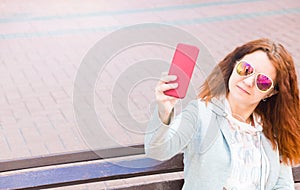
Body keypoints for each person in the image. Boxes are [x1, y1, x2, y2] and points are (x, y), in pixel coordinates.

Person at [144, 38, 300, 189]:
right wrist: (164, 111)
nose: (248, 82)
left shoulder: (272, 130)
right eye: (245, 69)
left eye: (263, 82)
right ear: (234, 65)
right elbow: (158, 150)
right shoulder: (200, 114)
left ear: (270, 93)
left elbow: (283, 184)